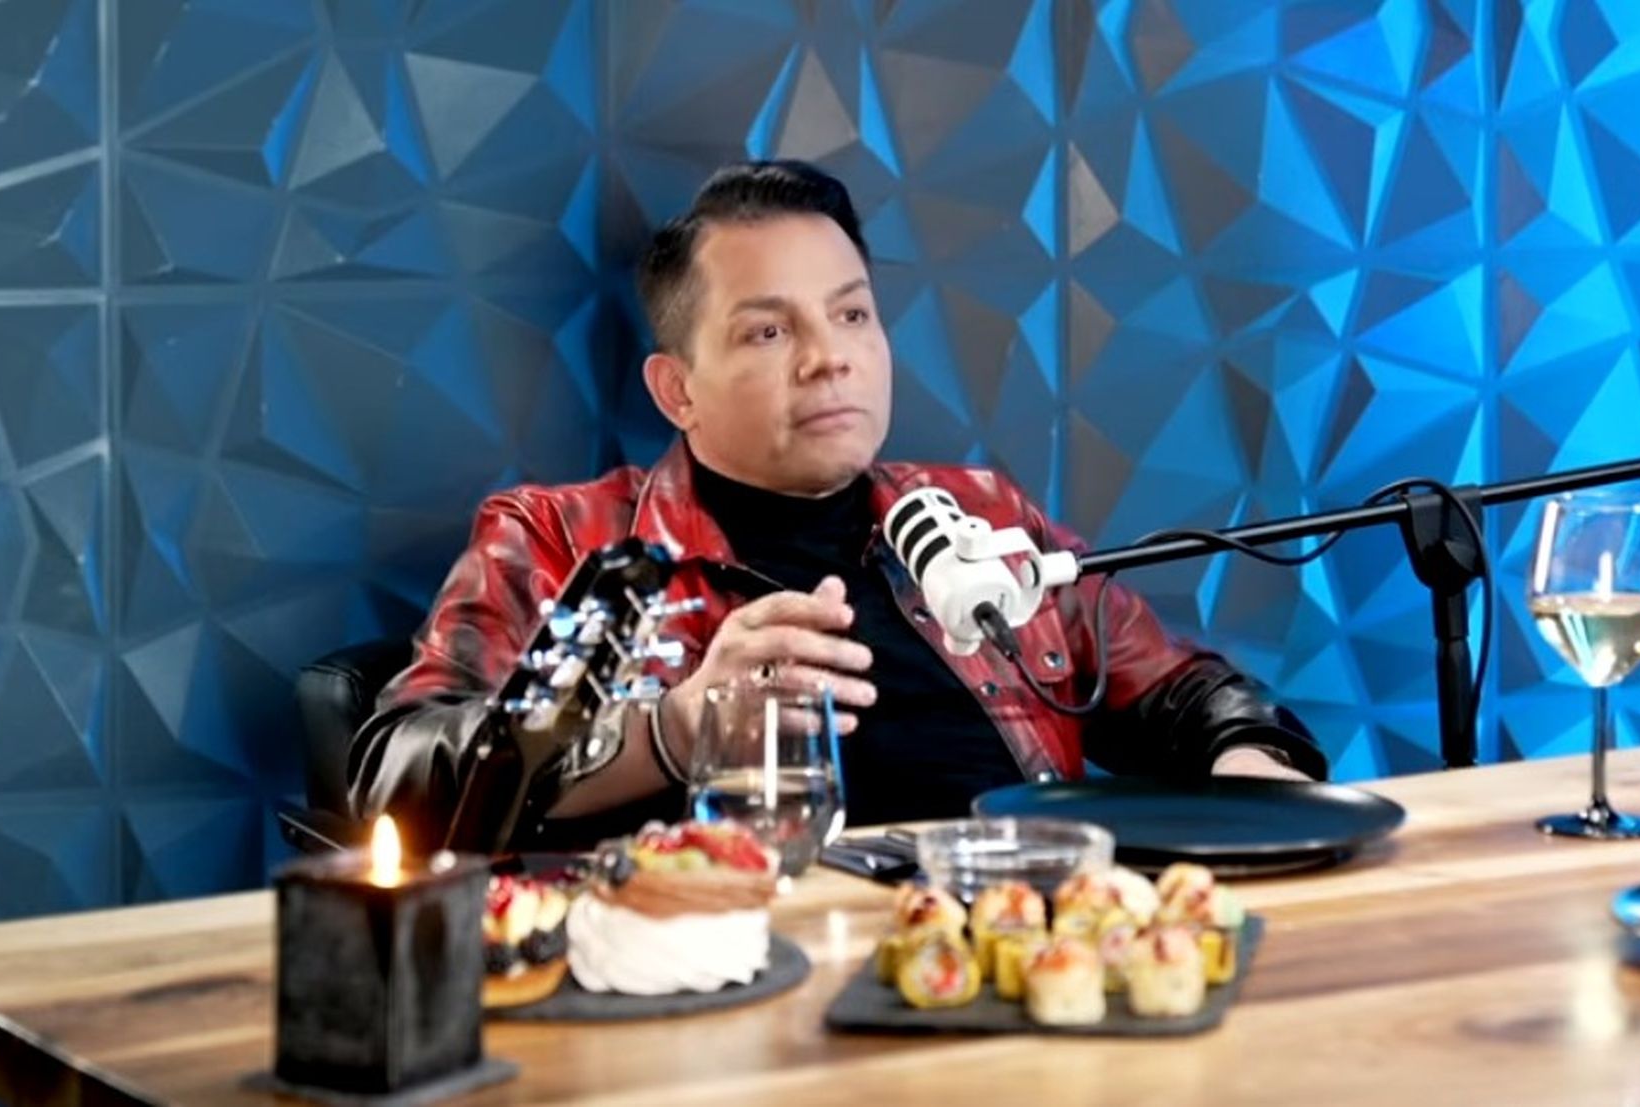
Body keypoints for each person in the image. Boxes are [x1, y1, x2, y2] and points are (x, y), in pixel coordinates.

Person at [348, 160, 1325, 851]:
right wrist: (675, 729)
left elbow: (1180, 690)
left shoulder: (980, 512)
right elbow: (397, 779)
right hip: (727, 982)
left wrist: (1247, 757)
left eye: (852, 313)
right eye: (769, 332)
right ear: (677, 391)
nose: (831, 357)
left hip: (1021, 940)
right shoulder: (563, 538)